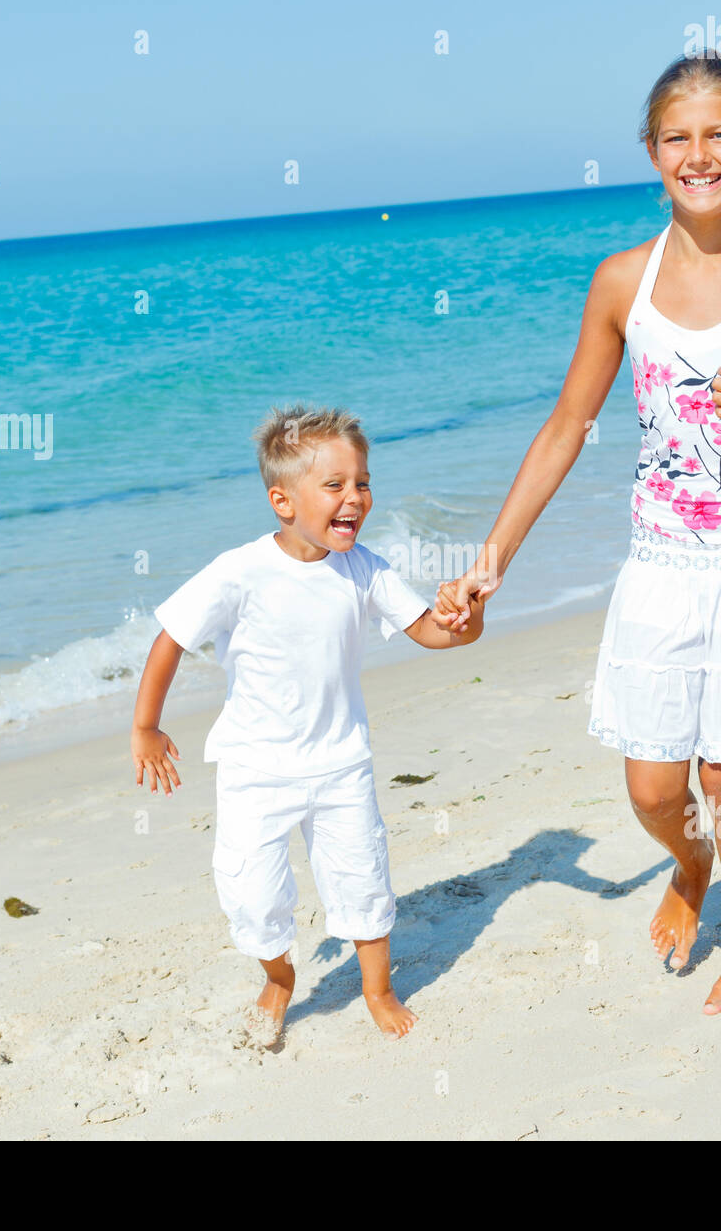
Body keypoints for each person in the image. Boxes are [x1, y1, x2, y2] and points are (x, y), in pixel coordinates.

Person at [436, 52, 721, 1015]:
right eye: (678, 137)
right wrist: (489, 564)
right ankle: (691, 864)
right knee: (649, 787)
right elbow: (563, 429)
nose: (700, 154)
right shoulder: (618, 283)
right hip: (663, 554)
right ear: (649, 152)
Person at [131, 406, 485, 1041]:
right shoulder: (238, 572)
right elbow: (171, 638)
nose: (355, 498)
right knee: (252, 893)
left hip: (340, 761)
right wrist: (146, 728)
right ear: (282, 500)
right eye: (335, 486)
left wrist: (467, 617)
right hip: (254, 769)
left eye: (363, 483)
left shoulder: (364, 568)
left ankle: (377, 987)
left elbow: (432, 633)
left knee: (363, 879)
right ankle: (279, 976)